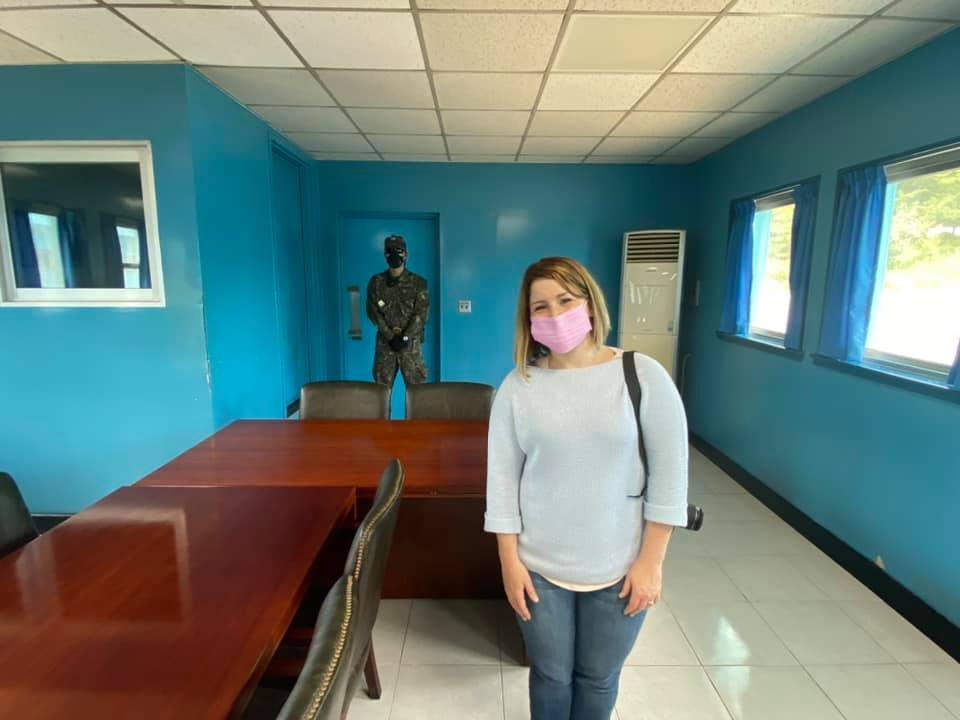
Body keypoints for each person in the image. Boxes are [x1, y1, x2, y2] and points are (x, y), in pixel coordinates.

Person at [485, 256, 689, 720]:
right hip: (537, 568)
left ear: (590, 305)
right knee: (551, 676)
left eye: (565, 300)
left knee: (598, 679)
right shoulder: (518, 388)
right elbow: (500, 482)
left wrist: (651, 564)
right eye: (541, 306)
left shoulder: (643, 376)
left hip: (621, 566)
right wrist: (508, 562)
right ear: (528, 319)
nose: (555, 315)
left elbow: (671, 480)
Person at [365, 235, 429, 388]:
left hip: (411, 347)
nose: (394, 255)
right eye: (389, 251)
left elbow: (421, 314)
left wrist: (404, 338)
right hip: (386, 345)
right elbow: (373, 312)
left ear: (406, 254)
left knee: (417, 395)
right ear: (385, 255)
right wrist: (390, 336)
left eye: (398, 251)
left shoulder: (418, 283)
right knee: (381, 394)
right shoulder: (376, 282)